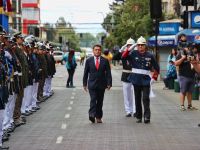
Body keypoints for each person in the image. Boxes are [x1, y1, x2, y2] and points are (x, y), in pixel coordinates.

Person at [122, 36, 160, 124]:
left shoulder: (150, 55)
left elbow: (157, 68)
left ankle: (147, 117)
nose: (140, 47)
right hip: (136, 79)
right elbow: (124, 56)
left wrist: (154, 78)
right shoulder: (133, 53)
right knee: (137, 98)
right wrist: (131, 47)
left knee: (146, 98)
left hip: (146, 79)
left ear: (145, 46)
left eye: (142, 45)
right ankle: (139, 116)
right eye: (138, 45)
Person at [83, 44, 112, 123]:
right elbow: (85, 73)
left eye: (99, 50)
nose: (97, 51)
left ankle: (98, 117)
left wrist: (109, 83)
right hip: (91, 84)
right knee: (93, 99)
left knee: (100, 101)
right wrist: (84, 84)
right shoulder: (89, 60)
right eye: (96, 50)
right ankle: (92, 115)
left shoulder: (105, 60)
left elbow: (108, 72)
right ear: (93, 51)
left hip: (102, 84)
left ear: (101, 51)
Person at [112, 38, 136, 117]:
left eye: (131, 45)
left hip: (134, 75)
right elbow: (114, 58)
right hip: (126, 75)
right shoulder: (124, 53)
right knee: (126, 94)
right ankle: (128, 111)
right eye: (128, 45)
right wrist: (120, 50)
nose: (130, 47)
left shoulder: (136, 53)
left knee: (135, 94)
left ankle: (135, 110)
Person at [175, 36, 197, 111]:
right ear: (186, 48)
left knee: (190, 91)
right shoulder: (180, 53)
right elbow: (176, 63)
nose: (190, 49)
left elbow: (196, 63)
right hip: (183, 75)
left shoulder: (193, 54)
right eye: (189, 48)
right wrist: (183, 58)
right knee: (183, 91)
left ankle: (189, 105)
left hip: (192, 75)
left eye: (191, 48)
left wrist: (195, 59)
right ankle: (182, 105)